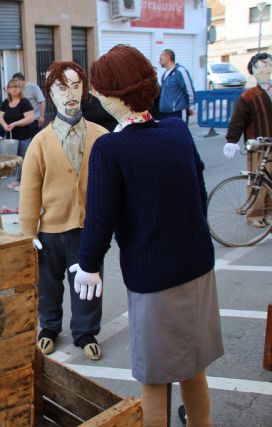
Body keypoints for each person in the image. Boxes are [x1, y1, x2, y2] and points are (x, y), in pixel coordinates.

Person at [72, 45, 223, 426]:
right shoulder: (176, 131)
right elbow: (198, 191)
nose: (96, 96)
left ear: (113, 95)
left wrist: (88, 264)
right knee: (193, 364)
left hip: (154, 277)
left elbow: (100, 216)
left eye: (99, 90)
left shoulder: (112, 147)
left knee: (154, 376)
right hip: (198, 267)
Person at [18, 61, 107, 359]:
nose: (69, 94)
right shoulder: (40, 142)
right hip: (49, 230)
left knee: (87, 286)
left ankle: (86, 332)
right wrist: (28, 231)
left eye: (75, 86)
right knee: (48, 284)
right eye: (61, 88)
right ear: (50, 95)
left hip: (88, 230)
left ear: (83, 91)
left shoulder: (101, 136)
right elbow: (30, 189)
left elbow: (113, 187)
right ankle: (49, 328)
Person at [224, 52, 272, 227]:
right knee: (257, 182)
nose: (265, 69)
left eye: (268, 64)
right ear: (253, 71)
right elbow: (238, 120)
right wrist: (231, 140)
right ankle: (254, 215)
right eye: (260, 66)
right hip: (258, 145)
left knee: (270, 183)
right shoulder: (249, 95)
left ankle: (268, 213)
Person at [0, 78, 35, 192]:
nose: (14, 89)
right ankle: (18, 180)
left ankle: (25, 182)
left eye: (16, 87)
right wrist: (5, 125)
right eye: (11, 87)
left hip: (24, 136)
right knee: (16, 159)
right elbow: (0, 117)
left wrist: (15, 123)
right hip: (12, 136)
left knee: (23, 159)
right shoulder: (6, 102)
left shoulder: (24, 102)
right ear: (8, 89)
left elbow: (30, 118)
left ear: (20, 89)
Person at [158, 49, 195, 123]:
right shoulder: (164, 75)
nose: (159, 61)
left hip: (178, 113)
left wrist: (191, 106)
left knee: (181, 133)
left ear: (168, 58)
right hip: (165, 113)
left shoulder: (180, 71)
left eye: (161, 59)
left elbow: (189, 89)